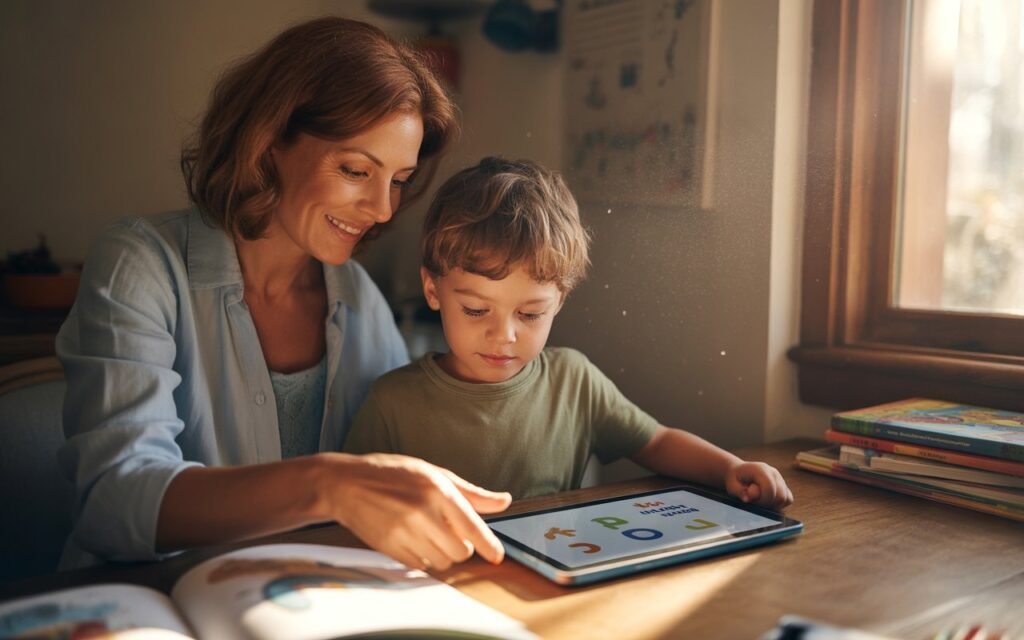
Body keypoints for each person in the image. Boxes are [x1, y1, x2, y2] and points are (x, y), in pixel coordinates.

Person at [56, 17, 512, 573]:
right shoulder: (141, 263)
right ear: (269, 142)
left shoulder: (360, 298)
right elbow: (112, 501)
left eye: (397, 180)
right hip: (144, 601)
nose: (383, 209)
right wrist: (327, 484)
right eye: (355, 170)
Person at [344, 157, 795, 508]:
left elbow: (655, 441)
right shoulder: (391, 404)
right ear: (432, 290)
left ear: (559, 300)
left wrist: (728, 469)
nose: (504, 335)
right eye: (477, 310)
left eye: (531, 314)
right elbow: (352, 506)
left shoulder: (573, 380)